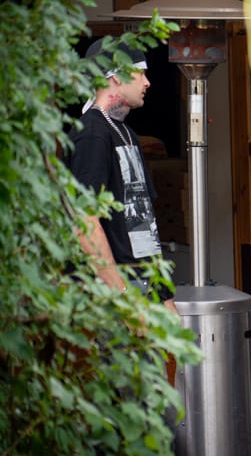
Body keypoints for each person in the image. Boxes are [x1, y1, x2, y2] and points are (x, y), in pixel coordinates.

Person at [68, 39, 176, 312]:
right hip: (108, 299)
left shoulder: (126, 134)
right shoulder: (91, 134)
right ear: (115, 77)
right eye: (140, 72)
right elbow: (85, 221)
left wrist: (165, 298)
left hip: (142, 292)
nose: (147, 82)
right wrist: (122, 296)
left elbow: (144, 222)